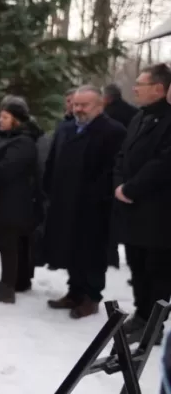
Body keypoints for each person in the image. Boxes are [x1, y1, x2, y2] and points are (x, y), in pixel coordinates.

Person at [42, 85, 126, 319]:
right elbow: (52, 161)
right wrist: (48, 189)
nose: (78, 109)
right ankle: (74, 291)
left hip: (94, 206)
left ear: (99, 106)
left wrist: (98, 196)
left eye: (84, 105)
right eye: (75, 104)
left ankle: (91, 297)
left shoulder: (113, 131)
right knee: (70, 249)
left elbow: (113, 169)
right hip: (64, 202)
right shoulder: (66, 128)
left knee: (91, 253)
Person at [114, 63, 171, 341]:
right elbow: (123, 155)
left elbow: (163, 163)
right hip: (132, 208)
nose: (134, 88)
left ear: (159, 88)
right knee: (136, 265)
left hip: (158, 212)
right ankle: (140, 315)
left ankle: (154, 325)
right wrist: (119, 185)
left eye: (141, 83)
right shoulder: (138, 118)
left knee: (156, 270)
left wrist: (132, 188)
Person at [0, 97, 42, 303]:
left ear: (16, 120)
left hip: (13, 204)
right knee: (7, 245)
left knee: (9, 246)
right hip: (4, 202)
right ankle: (10, 282)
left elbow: (7, 170)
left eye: (5, 116)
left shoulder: (23, 142)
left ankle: (7, 286)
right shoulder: (8, 138)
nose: (0, 119)